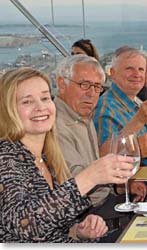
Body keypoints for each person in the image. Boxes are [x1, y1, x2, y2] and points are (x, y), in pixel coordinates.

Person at [0, 67, 135, 242]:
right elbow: (26, 225)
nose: (41, 107)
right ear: (8, 110)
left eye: (45, 98)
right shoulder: (5, 156)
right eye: (27, 102)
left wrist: (78, 230)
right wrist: (89, 177)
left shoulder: (47, 156)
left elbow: (51, 219)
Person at [54, 55, 147, 242]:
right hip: (89, 217)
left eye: (97, 87)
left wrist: (120, 188)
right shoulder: (55, 125)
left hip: (105, 202)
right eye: (84, 85)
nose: (92, 93)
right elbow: (76, 182)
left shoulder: (82, 114)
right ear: (61, 84)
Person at [93, 46, 147, 167]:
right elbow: (105, 157)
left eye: (141, 69)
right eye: (129, 69)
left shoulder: (135, 101)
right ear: (112, 73)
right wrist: (139, 120)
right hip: (138, 181)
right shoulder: (106, 108)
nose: (137, 74)